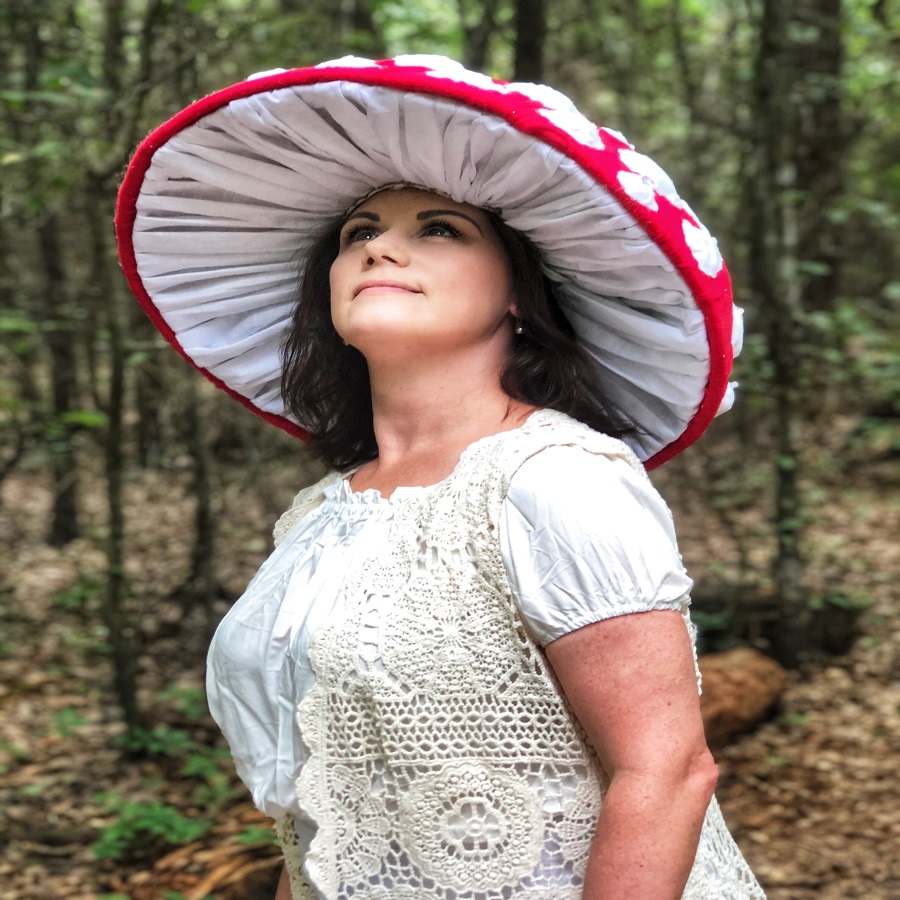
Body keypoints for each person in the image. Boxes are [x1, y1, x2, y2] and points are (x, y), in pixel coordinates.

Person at [117, 55, 764, 899]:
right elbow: (323, 818)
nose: (381, 245)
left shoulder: (556, 479)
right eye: (359, 235)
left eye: (439, 229)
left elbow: (668, 772)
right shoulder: (320, 514)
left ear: (519, 297)